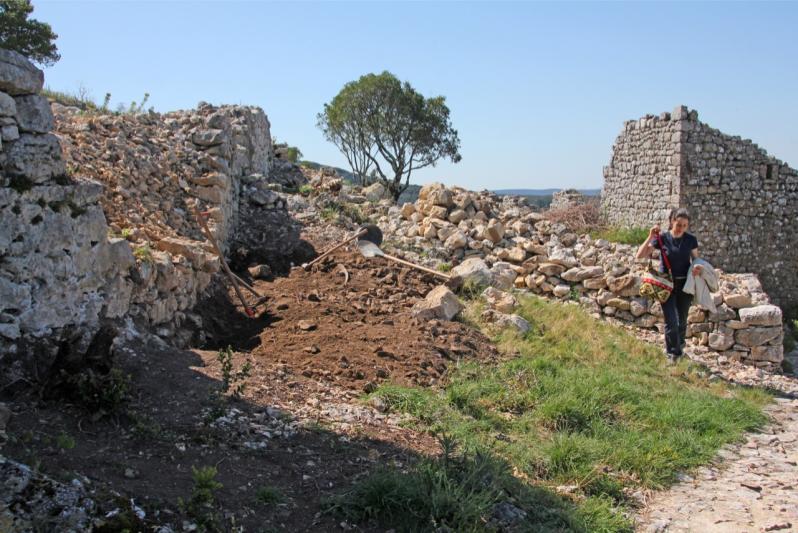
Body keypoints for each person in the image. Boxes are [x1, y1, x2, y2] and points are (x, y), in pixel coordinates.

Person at [635, 208, 703, 361]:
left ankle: (679, 346)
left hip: (685, 285)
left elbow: (696, 260)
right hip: (666, 285)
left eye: (685, 225)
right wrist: (650, 236)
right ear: (672, 221)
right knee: (671, 320)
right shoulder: (662, 238)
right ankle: (673, 353)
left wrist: (698, 268)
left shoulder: (691, 240)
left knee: (682, 320)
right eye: (679, 224)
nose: (681, 228)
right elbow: (640, 255)